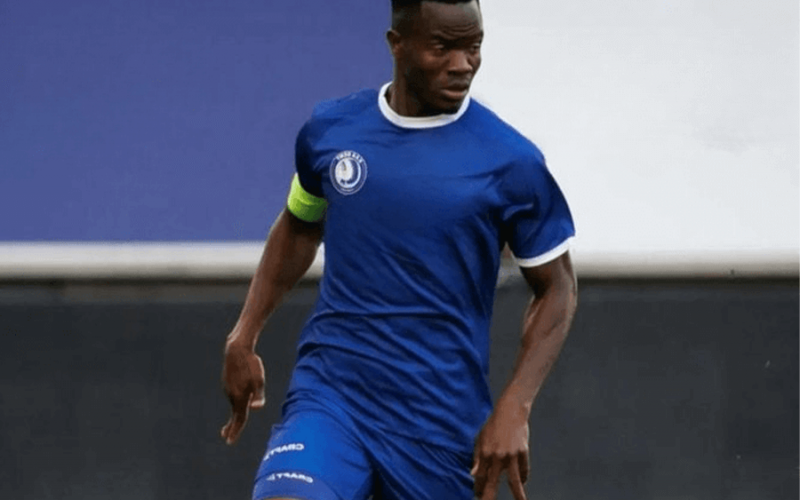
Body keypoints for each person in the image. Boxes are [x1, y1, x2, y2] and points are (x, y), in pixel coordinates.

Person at [220, 0, 578, 499]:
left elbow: (558, 288)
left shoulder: (511, 162)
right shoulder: (331, 132)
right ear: (397, 44)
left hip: (438, 424)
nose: (462, 64)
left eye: (473, 47)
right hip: (332, 396)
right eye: (443, 47)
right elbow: (300, 225)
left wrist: (516, 406)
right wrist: (244, 334)